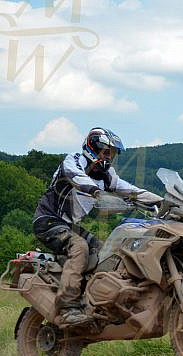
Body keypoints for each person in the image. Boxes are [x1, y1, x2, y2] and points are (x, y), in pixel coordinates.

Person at [32, 127, 162, 325]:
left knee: (105, 254)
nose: (109, 157)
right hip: (48, 221)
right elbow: (77, 177)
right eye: (107, 152)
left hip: (69, 225)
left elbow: (130, 190)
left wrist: (162, 202)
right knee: (80, 248)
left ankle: (92, 301)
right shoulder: (73, 161)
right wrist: (97, 193)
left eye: (112, 154)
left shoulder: (106, 176)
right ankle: (68, 307)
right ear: (93, 147)